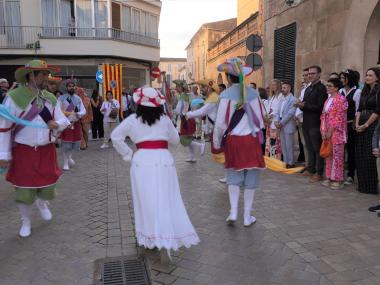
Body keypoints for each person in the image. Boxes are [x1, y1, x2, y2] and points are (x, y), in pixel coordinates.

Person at [111, 87, 199, 261]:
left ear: (139, 103)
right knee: (167, 199)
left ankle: (149, 237)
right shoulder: (165, 119)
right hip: (164, 161)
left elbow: (115, 136)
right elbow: (175, 141)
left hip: (142, 161)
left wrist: (128, 154)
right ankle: (164, 237)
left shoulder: (132, 119)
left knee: (145, 201)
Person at [0, 59, 70, 237]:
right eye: (43, 74)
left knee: (48, 188)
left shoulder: (50, 98)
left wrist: (57, 124)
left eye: (47, 74)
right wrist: (3, 154)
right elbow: (5, 126)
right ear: (31, 75)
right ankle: (26, 221)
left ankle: (42, 203)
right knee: (24, 191)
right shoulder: (14, 97)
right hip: (23, 152)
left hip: (46, 151)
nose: (47, 77)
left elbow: (63, 119)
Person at [213, 58, 265, 227]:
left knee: (233, 177)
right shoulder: (255, 95)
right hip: (251, 142)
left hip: (233, 142)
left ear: (228, 78)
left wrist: (216, 143)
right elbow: (261, 122)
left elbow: (220, 124)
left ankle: (233, 211)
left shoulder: (225, 95)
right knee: (251, 180)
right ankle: (247, 216)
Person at [296, 65, 328, 182]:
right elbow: (306, 105)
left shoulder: (321, 88)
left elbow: (320, 107)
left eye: (313, 73)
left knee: (317, 148)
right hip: (306, 122)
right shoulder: (308, 88)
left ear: (319, 74)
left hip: (315, 122)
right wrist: (300, 105)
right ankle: (311, 169)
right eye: (309, 73)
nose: (310, 75)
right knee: (309, 147)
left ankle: (319, 172)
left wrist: (305, 105)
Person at [355, 67, 380, 194]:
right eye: (366, 75)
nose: (367, 77)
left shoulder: (378, 91)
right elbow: (359, 108)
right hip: (361, 125)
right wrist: (358, 123)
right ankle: (362, 185)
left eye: (370, 75)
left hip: (373, 125)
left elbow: (377, 111)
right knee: (360, 155)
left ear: (377, 77)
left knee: (369, 157)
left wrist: (365, 125)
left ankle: (370, 187)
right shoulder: (364, 91)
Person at [320, 78, 348, 190]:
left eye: (330, 86)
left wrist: (330, 131)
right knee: (328, 155)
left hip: (337, 132)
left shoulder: (341, 99)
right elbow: (323, 116)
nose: (327, 87)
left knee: (337, 156)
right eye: (327, 85)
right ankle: (329, 177)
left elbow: (339, 118)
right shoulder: (327, 100)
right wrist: (323, 130)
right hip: (326, 131)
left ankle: (338, 179)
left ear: (336, 87)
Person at [174, 80, 205, 162]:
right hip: (188, 119)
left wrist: (175, 112)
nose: (176, 88)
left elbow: (179, 110)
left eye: (177, 86)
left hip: (186, 120)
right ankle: (192, 157)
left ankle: (200, 145)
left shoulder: (183, 96)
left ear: (181, 87)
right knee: (189, 138)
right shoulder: (185, 95)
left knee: (183, 139)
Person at [339, 69, 361, 185]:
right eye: (341, 78)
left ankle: (351, 174)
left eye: (344, 78)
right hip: (340, 125)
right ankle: (339, 173)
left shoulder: (357, 92)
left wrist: (356, 124)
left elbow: (358, 109)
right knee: (340, 149)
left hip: (350, 124)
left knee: (351, 150)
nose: (342, 80)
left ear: (350, 79)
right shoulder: (340, 91)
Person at [59, 80, 86, 170]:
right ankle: (65, 163)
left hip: (76, 123)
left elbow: (83, 110)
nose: (71, 87)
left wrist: (79, 114)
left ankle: (69, 157)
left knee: (74, 144)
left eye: (73, 86)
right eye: (69, 86)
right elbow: (58, 111)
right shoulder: (61, 98)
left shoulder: (78, 98)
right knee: (66, 144)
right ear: (66, 88)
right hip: (66, 124)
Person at [275, 81, 297, 168]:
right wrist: (277, 122)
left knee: (289, 145)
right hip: (280, 124)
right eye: (282, 88)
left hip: (288, 124)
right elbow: (277, 111)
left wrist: (281, 123)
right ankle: (285, 162)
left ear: (289, 88)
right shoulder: (281, 99)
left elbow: (290, 113)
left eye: (285, 88)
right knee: (283, 144)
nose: (283, 89)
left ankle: (291, 163)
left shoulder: (293, 99)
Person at [265, 79, 284, 159]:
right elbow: (268, 108)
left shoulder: (281, 97)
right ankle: (270, 158)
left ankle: (277, 158)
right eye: (271, 85)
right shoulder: (272, 97)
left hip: (276, 122)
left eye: (274, 84)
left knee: (277, 141)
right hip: (270, 122)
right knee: (270, 141)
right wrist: (267, 116)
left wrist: (271, 115)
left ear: (279, 86)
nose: (272, 86)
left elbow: (280, 110)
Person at [295, 68, 310, 166]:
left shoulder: (311, 88)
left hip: (308, 119)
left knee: (309, 144)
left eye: (306, 75)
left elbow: (303, 103)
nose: (304, 77)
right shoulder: (304, 89)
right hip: (300, 118)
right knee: (304, 144)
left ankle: (310, 165)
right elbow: (298, 102)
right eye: (303, 75)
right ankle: (307, 163)